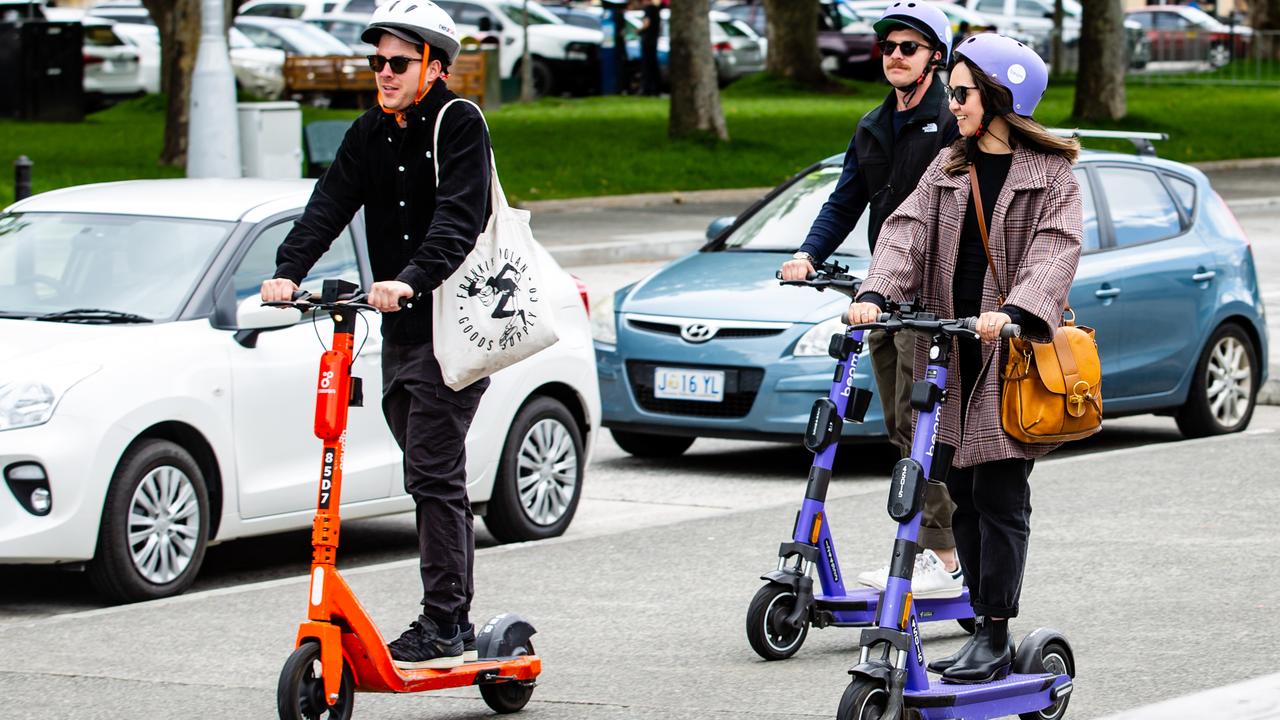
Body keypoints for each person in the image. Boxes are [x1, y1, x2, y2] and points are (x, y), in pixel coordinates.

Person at [260, 0, 493, 671]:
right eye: (377, 62)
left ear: (435, 66)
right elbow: (330, 202)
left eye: (398, 62)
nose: (384, 73)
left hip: (456, 325)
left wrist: (412, 278)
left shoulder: (458, 123)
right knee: (427, 471)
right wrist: (287, 271)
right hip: (398, 331)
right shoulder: (370, 130)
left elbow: (460, 217)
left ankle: (445, 622)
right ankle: (456, 615)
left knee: (430, 469)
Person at [846, 32, 1082, 684]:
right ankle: (984, 628)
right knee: (965, 498)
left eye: (963, 93)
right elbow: (906, 231)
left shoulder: (1051, 176)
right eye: (951, 92)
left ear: (1002, 95)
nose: (954, 105)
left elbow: (1056, 253)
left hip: (1009, 360)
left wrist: (1015, 313)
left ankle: (998, 631)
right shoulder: (949, 165)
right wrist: (875, 291)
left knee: (1000, 497)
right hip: (950, 357)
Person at [779, 0, 964, 599]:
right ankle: (934, 549)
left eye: (907, 47)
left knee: (924, 427)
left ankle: (944, 553)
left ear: (936, 57)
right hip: (883, 291)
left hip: (935, 295)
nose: (893, 57)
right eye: (887, 47)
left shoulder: (952, 121)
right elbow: (845, 199)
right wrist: (809, 253)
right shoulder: (873, 123)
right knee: (897, 423)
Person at [639, 0, 662, 96]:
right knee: (653, 66)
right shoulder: (657, 10)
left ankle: (646, 89)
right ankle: (656, 89)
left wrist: (638, 31)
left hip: (647, 42)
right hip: (654, 41)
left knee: (647, 66)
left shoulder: (648, 10)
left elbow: (646, 23)